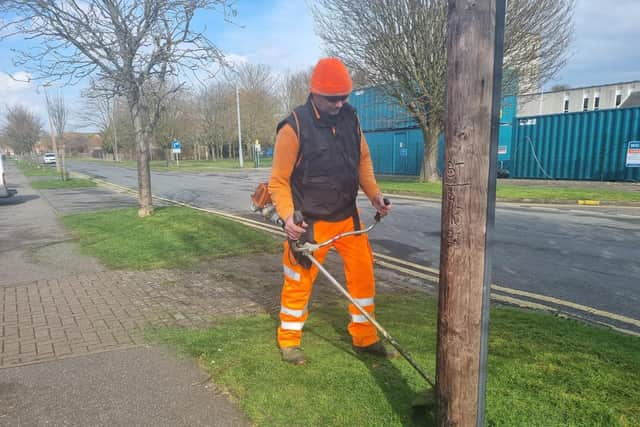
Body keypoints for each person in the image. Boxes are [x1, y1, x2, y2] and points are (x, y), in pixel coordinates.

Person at [268, 57, 393, 365]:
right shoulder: (294, 126)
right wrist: (287, 217)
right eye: (332, 98)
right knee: (298, 281)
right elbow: (278, 182)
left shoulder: (351, 118)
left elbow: (362, 161)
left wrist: (375, 195)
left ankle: (365, 338)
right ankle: (289, 340)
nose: (339, 103)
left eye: (343, 97)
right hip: (309, 223)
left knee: (363, 277)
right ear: (314, 93)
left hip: (347, 217)